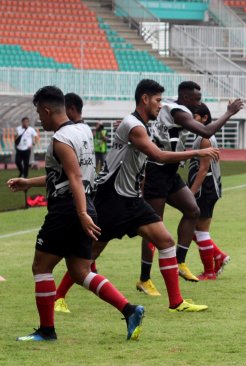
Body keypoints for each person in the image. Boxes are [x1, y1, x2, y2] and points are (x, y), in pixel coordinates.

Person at [53, 79, 217, 313]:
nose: (161, 106)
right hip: (111, 198)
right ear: (145, 99)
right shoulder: (134, 126)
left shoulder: (144, 125)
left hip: (131, 199)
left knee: (165, 241)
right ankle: (58, 297)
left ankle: (176, 302)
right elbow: (158, 156)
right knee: (90, 253)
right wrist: (199, 151)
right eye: (158, 100)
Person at [7, 86, 144, 341]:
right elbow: (65, 174)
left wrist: (80, 213)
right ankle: (130, 309)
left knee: (41, 266)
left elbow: (74, 177)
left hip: (68, 209)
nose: (39, 118)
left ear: (47, 110)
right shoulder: (82, 131)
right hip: (85, 203)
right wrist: (29, 183)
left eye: (39, 112)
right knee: (81, 271)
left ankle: (47, 331)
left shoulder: (60, 139)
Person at [137, 82, 243, 294]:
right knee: (153, 227)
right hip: (157, 172)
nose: (199, 102)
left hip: (171, 172)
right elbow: (206, 130)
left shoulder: (169, 109)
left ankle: (180, 262)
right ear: (185, 99)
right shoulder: (179, 111)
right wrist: (229, 113)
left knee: (193, 210)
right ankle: (144, 279)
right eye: (197, 99)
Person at [187, 103, 230, 280]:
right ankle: (218, 256)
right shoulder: (202, 136)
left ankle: (210, 271)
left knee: (199, 231)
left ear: (204, 118)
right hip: (207, 188)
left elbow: (204, 169)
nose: (191, 120)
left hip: (205, 188)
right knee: (191, 230)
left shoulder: (205, 138)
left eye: (194, 116)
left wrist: (191, 192)